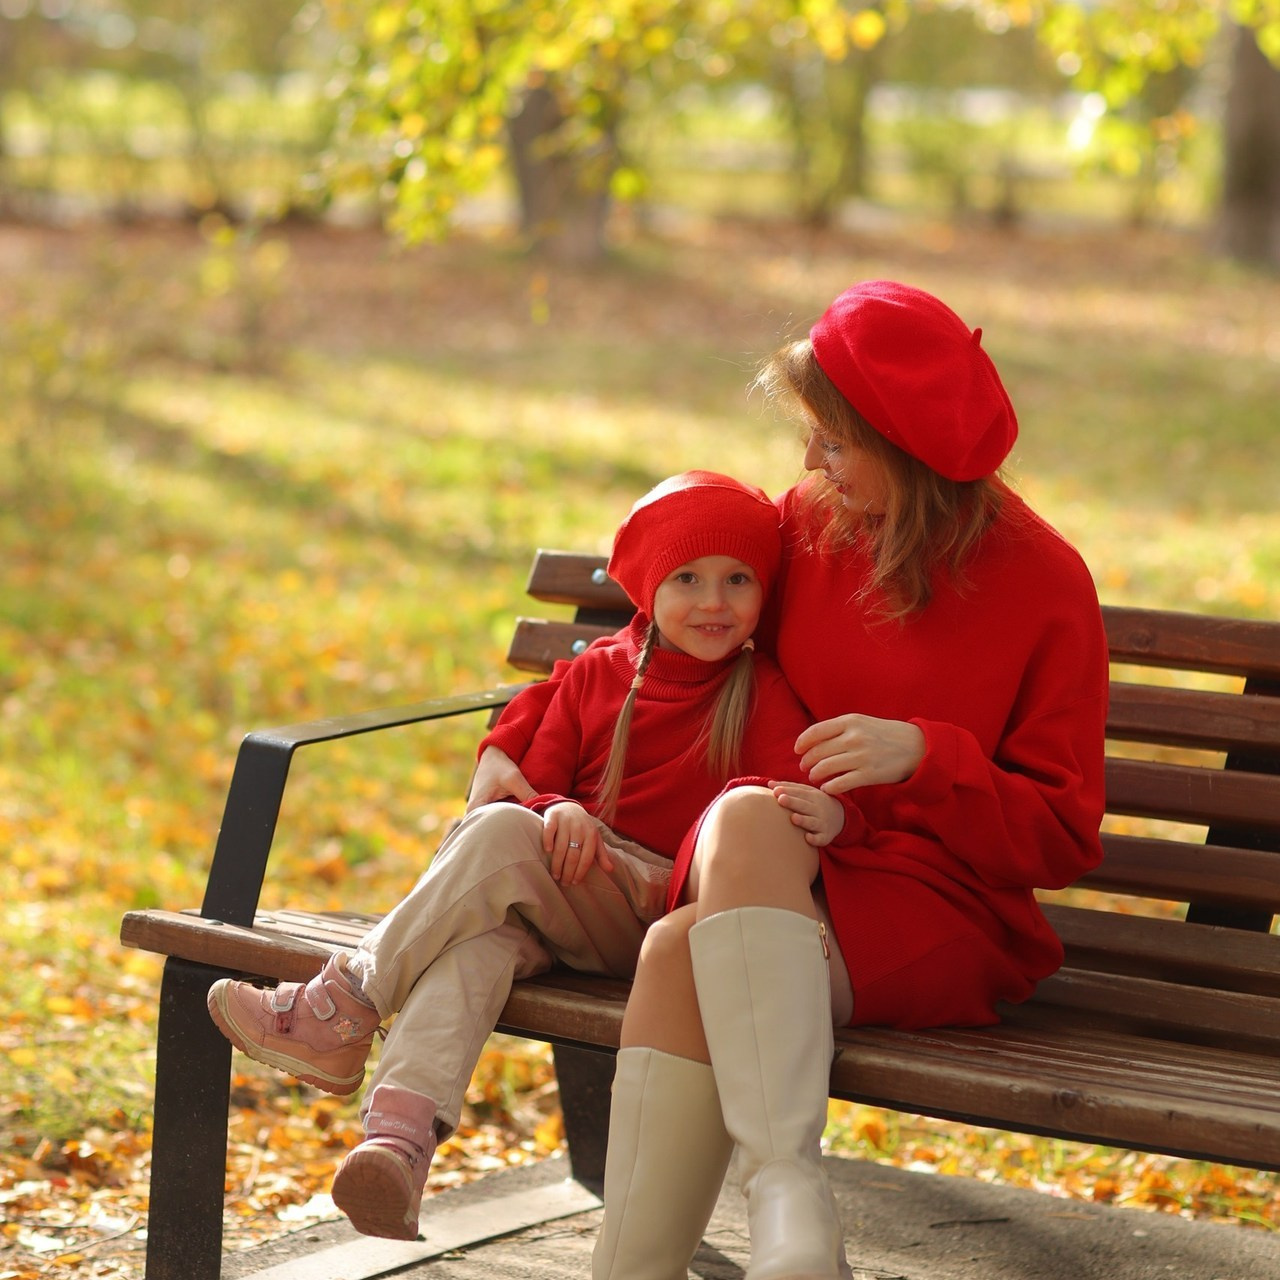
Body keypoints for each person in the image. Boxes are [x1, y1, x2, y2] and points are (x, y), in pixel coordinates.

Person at [469, 280, 1110, 1279]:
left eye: (833, 440)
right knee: (737, 831)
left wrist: (928, 757)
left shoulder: (1043, 584)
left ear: (902, 443)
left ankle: (756, 1209)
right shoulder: (803, 528)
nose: (809, 461)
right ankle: (783, 1206)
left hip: (935, 906)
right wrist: (513, 739)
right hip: (782, 877)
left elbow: (1059, 839)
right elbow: (661, 639)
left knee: (686, 939)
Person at [205, 470, 853, 1243]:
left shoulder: (762, 691)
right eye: (688, 578)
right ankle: (399, 1147)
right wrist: (557, 808)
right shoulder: (597, 675)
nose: (714, 602)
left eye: (737, 580)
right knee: (474, 948)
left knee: (499, 836)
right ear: (648, 587)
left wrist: (832, 812)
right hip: (568, 906)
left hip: (667, 927)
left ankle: (341, 1002)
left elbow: (779, 825)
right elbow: (527, 783)